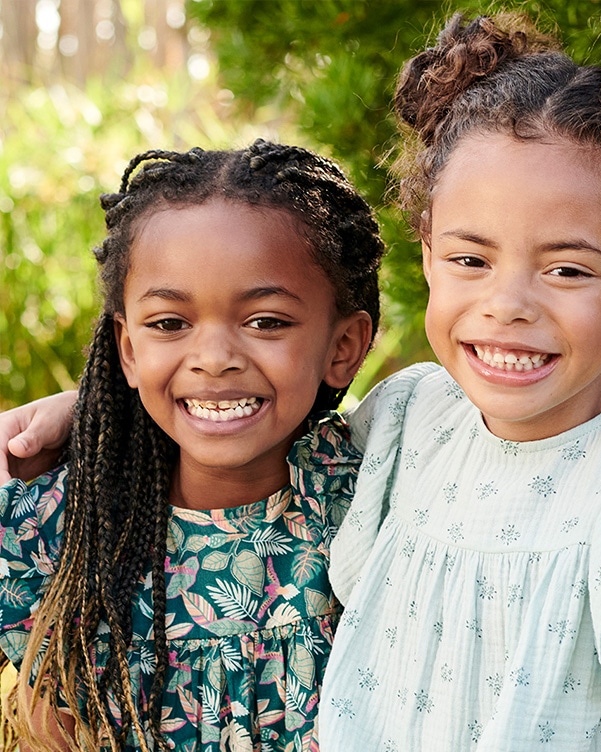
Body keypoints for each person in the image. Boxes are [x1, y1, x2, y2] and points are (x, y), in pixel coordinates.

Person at [0, 12, 601, 752]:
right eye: (470, 259)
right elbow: (249, 416)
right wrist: (90, 406)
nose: (507, 305)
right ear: (426, 254)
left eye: (567, 268)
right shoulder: (416, 417)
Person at [0, 139, 384, 751]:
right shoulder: (55, 530)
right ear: (128, 349)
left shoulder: (382, 501)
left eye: (265, 322)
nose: (212, 360)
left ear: (344, 347)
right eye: (169, 324)